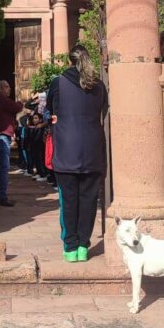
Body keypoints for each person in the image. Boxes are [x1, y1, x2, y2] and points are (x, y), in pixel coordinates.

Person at [46, 43, 108, 263]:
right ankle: (83, 246)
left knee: (69, 201)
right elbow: (104, 111)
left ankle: (70, 247)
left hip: (66, 150)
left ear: (70, 60)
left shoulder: (58, 83)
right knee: (89, 200)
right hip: (93, 149)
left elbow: (49, 112)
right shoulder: (99, 85)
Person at [0, 80, 23, 206]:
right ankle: (1, 196)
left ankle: (1, 195)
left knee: (2, 167)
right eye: (7, 87)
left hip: (2, 136)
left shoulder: (0, 100)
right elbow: (17, 107)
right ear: (0, 89)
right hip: (1, 136)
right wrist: (21, 102)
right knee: (4, 167)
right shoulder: (0, 99)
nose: (9, 89)